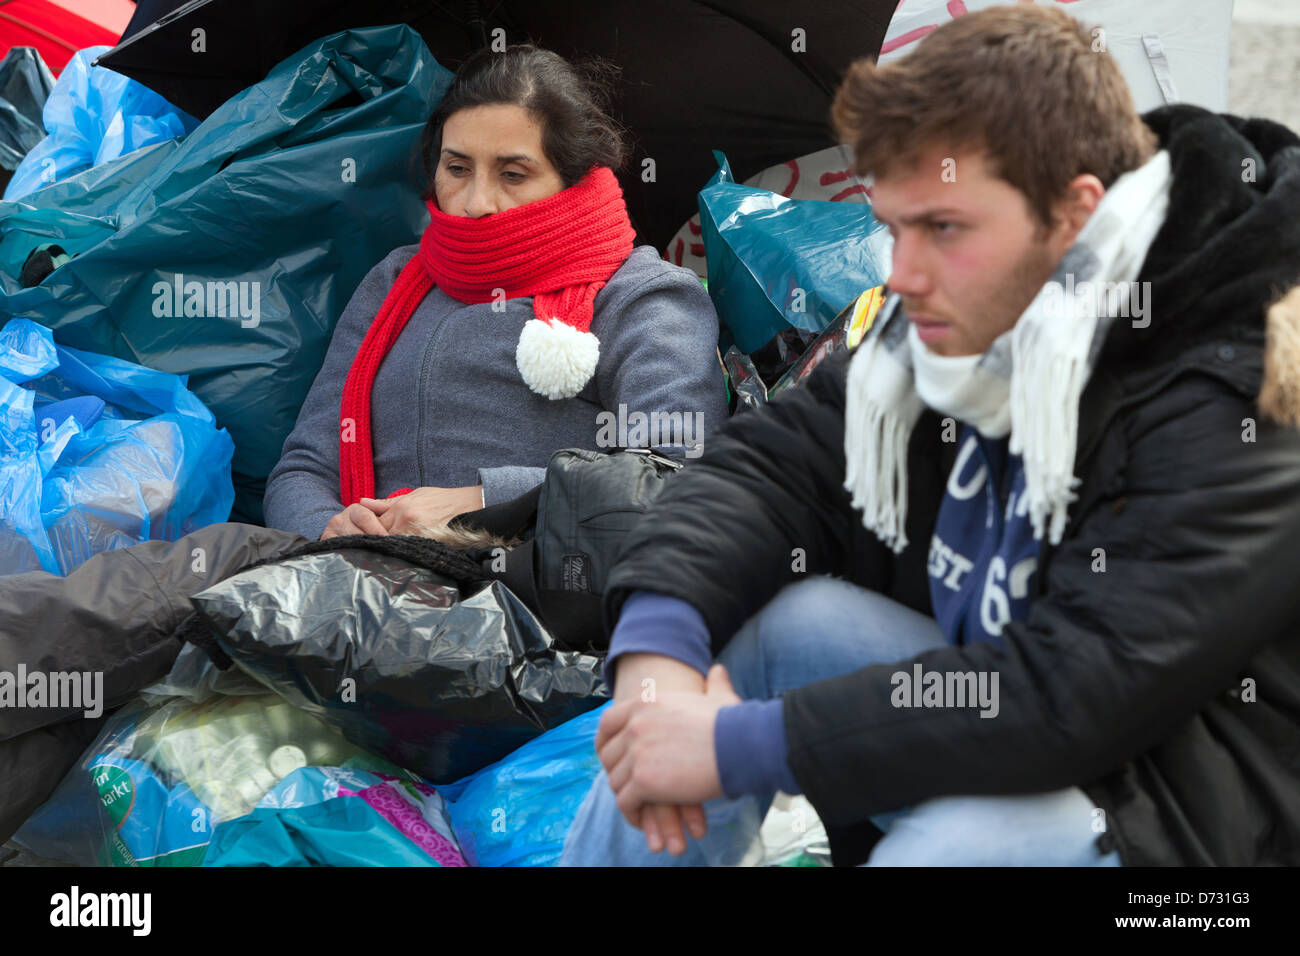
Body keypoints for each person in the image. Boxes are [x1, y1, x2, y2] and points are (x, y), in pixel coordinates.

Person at [560, 5, 1300, 866]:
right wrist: (655, 661)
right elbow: (774, 465)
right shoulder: (983, 294)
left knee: (958, 846)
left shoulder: (1245, 381)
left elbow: (1079, 692)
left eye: (943, 228)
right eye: (895, 226)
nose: (901, 275)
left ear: (1074, 213)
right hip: (1001, 703)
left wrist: (735, 745)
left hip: (1186, 818)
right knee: (770, 624)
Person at [262, 44, 725, 543]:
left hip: (534, 601)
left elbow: (676, 475)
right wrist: (328, 532)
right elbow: (304, 469)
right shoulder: (394, 282)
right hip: (354, 585)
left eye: (512, 174)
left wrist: (479, 502)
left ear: (575, 179)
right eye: (457, 169)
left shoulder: (642, 297)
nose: (477, 202)